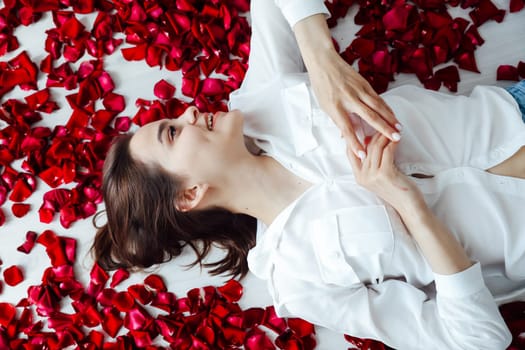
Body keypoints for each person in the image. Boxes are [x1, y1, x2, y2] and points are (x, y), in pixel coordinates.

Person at [92, 1, 525, 349]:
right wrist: (409, 205)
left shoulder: (263, 98)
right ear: (190, 194)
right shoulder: (299, 280)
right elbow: (477, 339)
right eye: (171, 133)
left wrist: (321, 60)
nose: (187, 111)